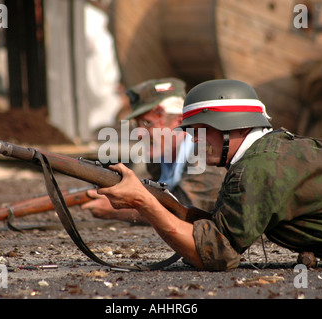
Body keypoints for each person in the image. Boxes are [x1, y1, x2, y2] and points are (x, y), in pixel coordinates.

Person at [96, 79, 322, 271]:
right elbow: (219, 226)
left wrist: (144, 202)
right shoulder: (265, 153)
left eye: (203, 130)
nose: (196, 140)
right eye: (193, 132)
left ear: (238, 128)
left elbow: (216, 255)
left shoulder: (256, 169)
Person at [82, 78, 225, 225]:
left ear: (180, 122)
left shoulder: (206, 157)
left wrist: (117, 211)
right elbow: (162, 199)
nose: (138, 133)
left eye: (147, 123)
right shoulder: (159, 159)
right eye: (137, 124)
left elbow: (186, 213)